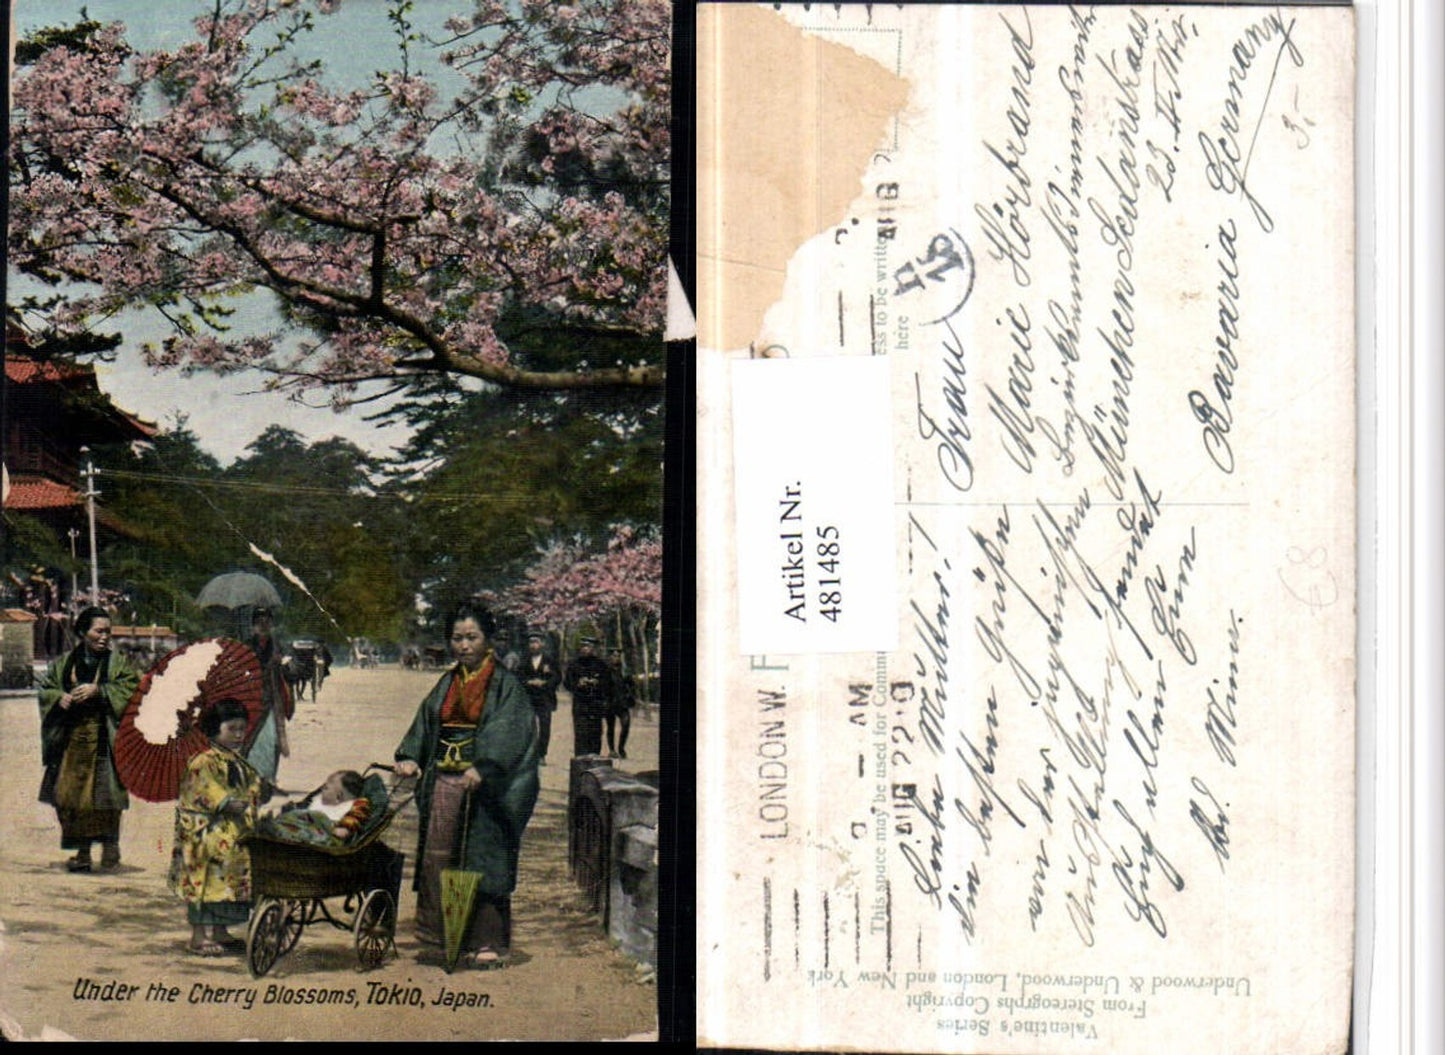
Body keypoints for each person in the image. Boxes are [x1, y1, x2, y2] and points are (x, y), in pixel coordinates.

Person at [393, 603, 539, 969]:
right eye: (457, 638)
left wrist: (485, 764)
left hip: (486, 788)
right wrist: (410, 756)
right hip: (445, 782)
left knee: (483, 857)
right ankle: (443, 937)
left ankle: (487, 940)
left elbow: (510, 729)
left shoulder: (506, 685)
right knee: (440, 855)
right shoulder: (447, 682)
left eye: (472, 637)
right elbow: (426, 723)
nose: (464, 645)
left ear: (488, 639)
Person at [36, 606, 141, 872]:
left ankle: (110, 847)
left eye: (108, 632)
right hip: (72, 740)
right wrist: (58, 697)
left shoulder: (118, 663)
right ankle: (82, 852)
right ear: (83, 632)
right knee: (70, 797)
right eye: (99, 631)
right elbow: (46, 688)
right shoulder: (65, 663)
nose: (105, 637)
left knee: (106, 796)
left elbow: (133, 689)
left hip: (104, 737)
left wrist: (100, 690)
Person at [168, 698, 267, 956]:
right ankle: (199, 936)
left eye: (242, 729)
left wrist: (257, 789)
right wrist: (228, 802)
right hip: (205, 833)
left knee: (229, 880)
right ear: (215, 729)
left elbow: (251, 786)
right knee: (204, 881)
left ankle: (221, 931)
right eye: (232, 729)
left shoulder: (239, 762)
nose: (238, 735)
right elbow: (207, 790)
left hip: (230, 832)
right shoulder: (204, 761)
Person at [260, 769, 373, 846]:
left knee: (311, 824)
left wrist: (345, 828)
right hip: (303, 825)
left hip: (325, 835)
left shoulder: (355, 805)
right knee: (294, 820)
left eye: (327, 788)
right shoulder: (316, 800)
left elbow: (355, 817)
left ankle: (276, 830)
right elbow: (302, 809)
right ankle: (274, 826)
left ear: (339, 796)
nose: (322, 789)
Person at [245, 607, 292, 782]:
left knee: (273, 739)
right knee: (251, 739)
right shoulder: (247, 645)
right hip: (252, 698)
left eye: (267, 622)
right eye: (259, 622)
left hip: (273, 698)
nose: (263, 625)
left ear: (272, 624)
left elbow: (291, 671)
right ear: (253, 625)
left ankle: (269, 779)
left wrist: (283, 665)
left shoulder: (278, 646)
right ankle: (251, 778)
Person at [518, 631, 562, 764]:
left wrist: (545, 683)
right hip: (529, 698)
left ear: (542, 644)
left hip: (544, 697)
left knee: (545, 727)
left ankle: (542, 754)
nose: (533, 645)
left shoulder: (549, 660)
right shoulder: (524, 660)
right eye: (531, 642)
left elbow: (557, 677)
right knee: (528, 727)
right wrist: (528, 682)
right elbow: (518, 676)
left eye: (536, 642)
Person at [564, 637, 611, 757]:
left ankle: (594, 756)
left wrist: (597, 683)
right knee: (580, 732)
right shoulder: (574, 665)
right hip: (580, 704)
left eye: (588, 646)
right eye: (583, 646)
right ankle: (580, 758)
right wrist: (578, 684)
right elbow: (567, 683)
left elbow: (608, 683)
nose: (585, 649)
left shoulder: (601, 665)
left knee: (596, 731)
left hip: (596, 703)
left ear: (593, 648)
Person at [604, 647, 634, 760]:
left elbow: (632, 685)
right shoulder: (606, 670)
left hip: (622, 702)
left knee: (626, 724)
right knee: (610, 727)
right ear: (610, 657)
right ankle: (612, 750)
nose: (616, 658)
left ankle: (621, 748)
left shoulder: (625, 670)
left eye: (618, 656)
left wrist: (629, 693)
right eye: (614, 656)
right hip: (610, 702)